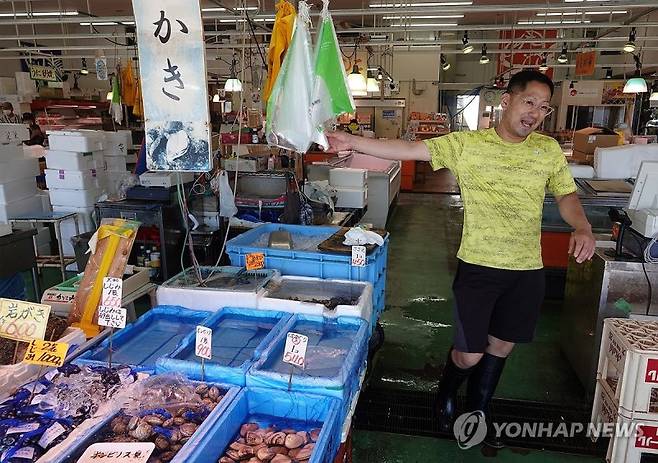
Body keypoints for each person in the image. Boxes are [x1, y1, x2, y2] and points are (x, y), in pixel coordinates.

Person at [325, 70, 596, 447]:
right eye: (529, 102)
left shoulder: (547, 150)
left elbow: (566, 195)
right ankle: (446, 393)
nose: (536, 113)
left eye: (544, 108)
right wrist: (351, 139)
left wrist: (582, 226)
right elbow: (409, 151)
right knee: (468, 355)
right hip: (479, 268)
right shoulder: (467, 145)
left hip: (526, 271)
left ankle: (479, 412)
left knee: (501, 346)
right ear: (508, 101)